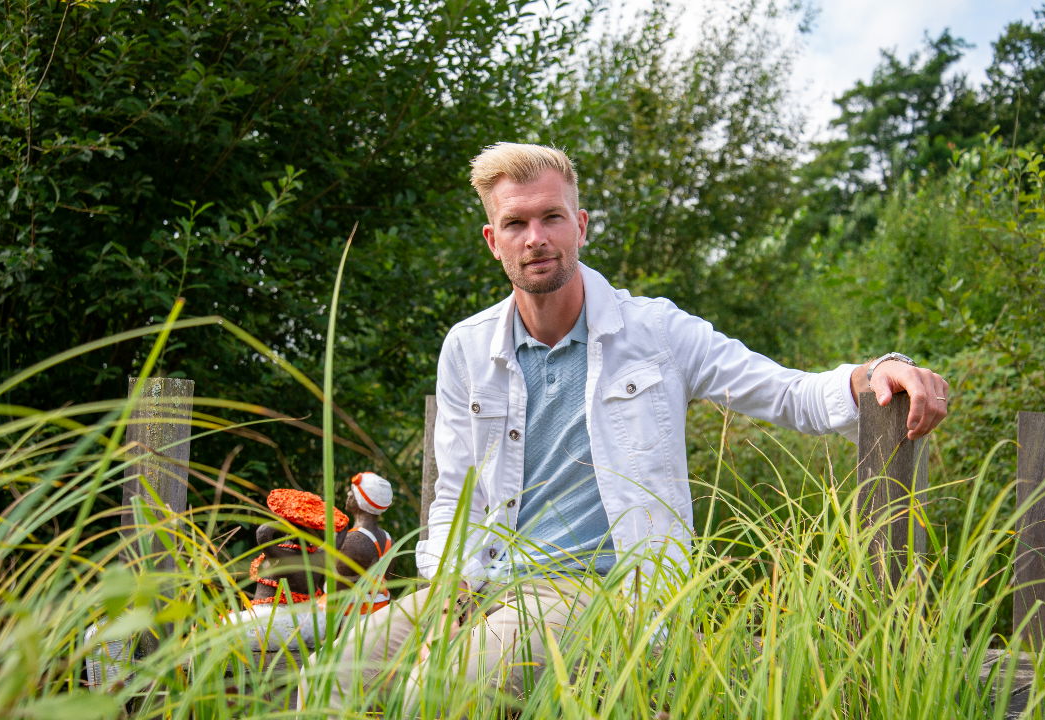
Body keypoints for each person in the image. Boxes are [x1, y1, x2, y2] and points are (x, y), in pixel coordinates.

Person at [317, 142, 949, 710]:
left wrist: (885, 368)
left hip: (599, 591)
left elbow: (790, 392)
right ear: (493, 239)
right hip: (482, 581)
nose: (536, 236)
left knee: (439, 688)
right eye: (516, 222)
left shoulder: (655, 332)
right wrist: (451, 589)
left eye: (551, 217)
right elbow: (456, 491)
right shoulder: (467, 347)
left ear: (581, 226)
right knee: (334, 674)